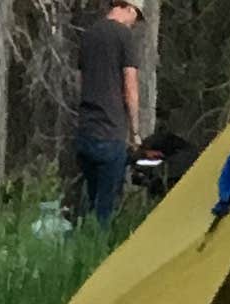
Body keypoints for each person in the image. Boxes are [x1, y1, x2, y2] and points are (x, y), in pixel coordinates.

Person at [71, 0, 145, 230]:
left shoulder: (89, 35)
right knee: (105, 210)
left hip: (86, 131)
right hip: (110, 133)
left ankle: (78, 253)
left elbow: (80, 81)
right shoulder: (124, 36)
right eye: (137, 18)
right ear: (130, 9)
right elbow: (130, 88)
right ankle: (98, 257)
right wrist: (134, 133)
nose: (135, 24)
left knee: (89, 203)